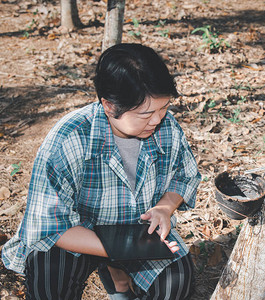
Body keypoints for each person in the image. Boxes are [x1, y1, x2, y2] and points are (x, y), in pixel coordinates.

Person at [1, 43, 201, 300]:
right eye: (146, 114)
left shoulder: (167, 127)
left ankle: (116, 273)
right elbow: (50, 226)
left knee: (177, 280)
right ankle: (114, 268)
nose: (157, 120)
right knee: (50, 285)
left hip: (136, 231)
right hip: (79, 233)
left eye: (163, 108)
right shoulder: (69, 139)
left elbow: (185, 175)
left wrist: (164, 208)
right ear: (109, 105)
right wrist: (119, 251)